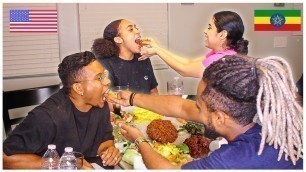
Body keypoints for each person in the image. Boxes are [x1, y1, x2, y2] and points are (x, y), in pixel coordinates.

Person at [112, 54, 303, 169]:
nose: (193, 110)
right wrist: (131, 98)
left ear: (219, 118)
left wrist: (139, 139)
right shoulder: (252, 114)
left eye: (199, 107)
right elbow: (180, 106)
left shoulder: (232, 161)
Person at [3, 51, 121, 169]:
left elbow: (104, 139)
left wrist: (108, 151)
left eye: (104, 75)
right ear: (79, 88)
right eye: (99, 78)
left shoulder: (99, 104)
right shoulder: (46, 116)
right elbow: (5, 158)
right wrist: (65, 163)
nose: (107, 81)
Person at [139, 11, 249, 78]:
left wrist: (157, 51)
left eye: (210, 27)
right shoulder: (222, 53)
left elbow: (185, 71)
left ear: (222, 34)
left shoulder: (222, 59)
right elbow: (189, 62)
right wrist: (158, 48)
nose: (205, 31)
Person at [92, 19, 158, 94]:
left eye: (136, 28)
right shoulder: (104, 65)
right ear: (118, 39)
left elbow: (153, 91)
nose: (138, 31)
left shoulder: (143, 58)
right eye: (130, 29)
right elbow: (108, 98)